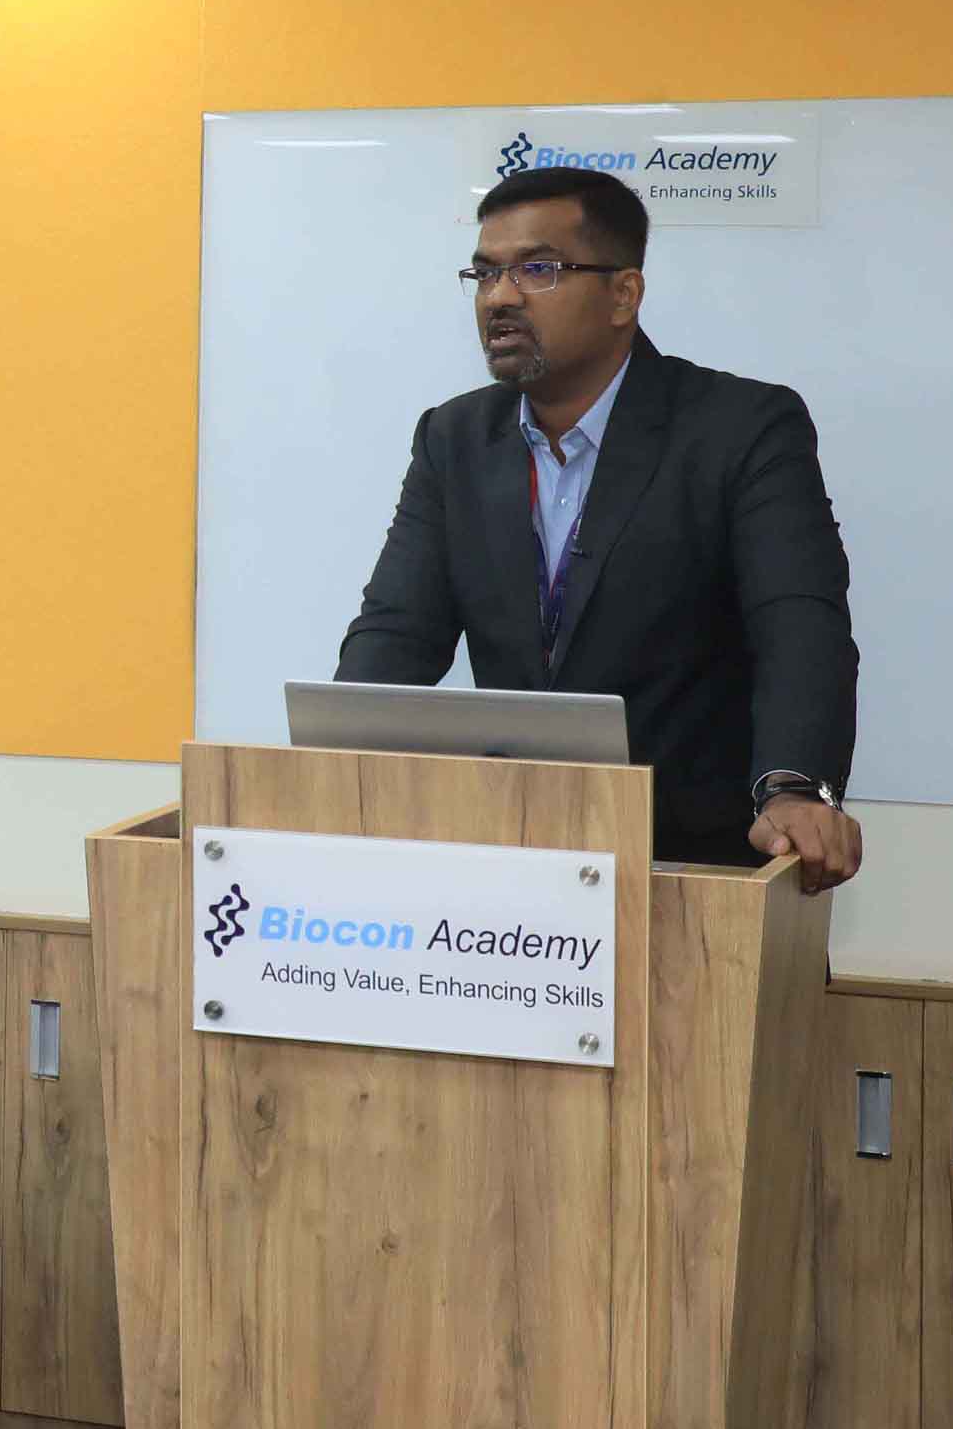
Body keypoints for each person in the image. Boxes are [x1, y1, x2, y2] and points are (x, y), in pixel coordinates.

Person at [335, 164, 865, 889]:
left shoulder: (739, 428)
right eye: (485, 273)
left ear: (623, 294)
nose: (501, 297)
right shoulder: (453, 439)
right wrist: (333, 769)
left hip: (692, 864)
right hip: (512, 855)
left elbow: (797, 624)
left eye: (538, 269)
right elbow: (398, 631)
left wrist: (794, 786)